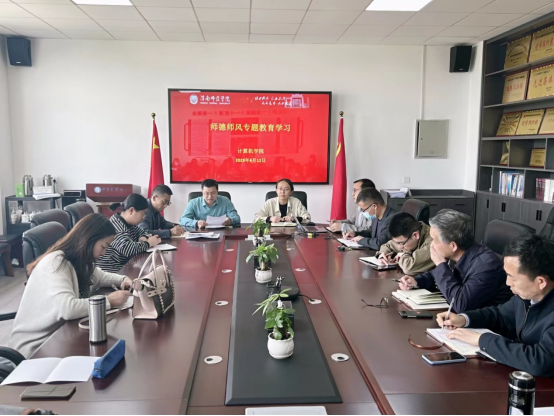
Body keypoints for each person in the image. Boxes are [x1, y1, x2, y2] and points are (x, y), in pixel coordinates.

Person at [9, 214, 132, 359]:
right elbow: (67, 308)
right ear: (89, 239)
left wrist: (124, 279)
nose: (104, 253)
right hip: (36, 348)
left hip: (60, 337)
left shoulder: (80, 261)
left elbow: (100, 277)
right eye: (103, 246)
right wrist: (109, 301)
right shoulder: (56, 262)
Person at [437, 235, 554, 377]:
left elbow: (539, 361)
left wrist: (482, 340)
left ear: (541, 282)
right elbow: (499, 315)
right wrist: (463, 319)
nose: (507, 282)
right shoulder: (525, 297)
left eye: (512, 277)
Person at [399, 210, 512, 313]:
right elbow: (438, 275)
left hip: (484, 325)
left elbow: (460, 304)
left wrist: (440, 265)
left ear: (453, 246)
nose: (431, 245)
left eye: (434, 240)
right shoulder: (459, 254)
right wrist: (416, 281)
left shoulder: (487, 267)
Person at [96, 194, 161, 273]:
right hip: (111, 271)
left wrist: (143, 237)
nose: (143, 218)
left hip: (124, 267)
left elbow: (144, 232)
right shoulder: (116, 225)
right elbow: (127, 249)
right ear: (131, 211)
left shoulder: (130, 224)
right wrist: (148, 243)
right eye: (143, 214)